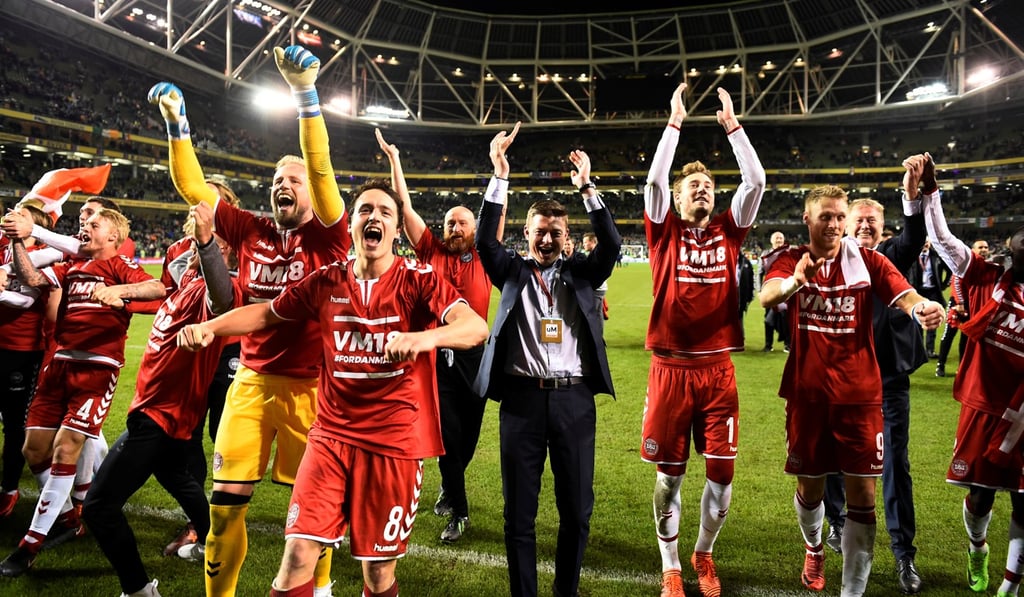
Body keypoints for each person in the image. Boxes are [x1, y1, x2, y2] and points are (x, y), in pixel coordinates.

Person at [176, 179, 489, 597]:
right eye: (364, 211)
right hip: (330, 438)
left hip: (393, 445)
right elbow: (266, 314)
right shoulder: (326, 281)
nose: (373, 217)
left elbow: (475, 327)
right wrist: (209, 327)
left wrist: (422, 339)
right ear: (353, 226)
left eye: (384, 212)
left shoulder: (419, 279)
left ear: (397, 231)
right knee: (297, 558)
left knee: (377, 575)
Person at [147, 43, 350, 596]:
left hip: (314, 389)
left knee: (315, 513)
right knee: (224, 511)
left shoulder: (330, 231)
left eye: (293, 178)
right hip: (252, 386)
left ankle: (322, 590)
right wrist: (178, 127)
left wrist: (304, 95)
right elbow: (196, 192)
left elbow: (323, 169)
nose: (283, 184)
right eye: (276, 180)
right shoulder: (253, 230)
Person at [760, 183, 943, 597]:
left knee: (864, 496)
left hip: (860, 396)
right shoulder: (790, 259)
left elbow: (904, 293)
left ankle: (851, 592)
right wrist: (794, 283)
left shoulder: (868, 261)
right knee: (811, 491)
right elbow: (767, 296)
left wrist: (920, 308)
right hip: (807, 394)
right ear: (807, 219)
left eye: (840, 216)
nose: (835, 224)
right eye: (826, 216)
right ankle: (813, 546)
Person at [473, 136, 621, 597]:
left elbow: (612, 245)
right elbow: (483, 241)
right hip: (520, 401)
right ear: (527, 234)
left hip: (574, 401)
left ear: (568, 238)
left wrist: (587, 188)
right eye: (540, 230)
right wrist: (500, 176)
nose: (548, 238)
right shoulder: (512, 271)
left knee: (576, 511)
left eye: (556, 231)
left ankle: (566, 592)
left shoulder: (582, 274)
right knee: (519, 513)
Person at [640, 82, 766, 597]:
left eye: (709, 186)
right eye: (693, 185)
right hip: (669, 370)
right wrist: (674, 121)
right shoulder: (662, 231)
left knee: (721, 480)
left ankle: (702, 553)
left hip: (717, 372)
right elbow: (652, 180)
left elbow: (755, 181)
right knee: (669, 480)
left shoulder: (729, 232)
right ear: (676, 196)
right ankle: (671, 563)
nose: (703, 190)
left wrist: (733, 128)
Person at [81, 202, 241, 597]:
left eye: (214, 245)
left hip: (160, 417)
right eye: (196, 239)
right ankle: (210, 540)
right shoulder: (183, 285)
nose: (199, 246)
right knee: (177, 478)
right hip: (158, 413)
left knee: (99, 508)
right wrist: (122, 294)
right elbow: (156, 291)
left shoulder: (214, 293)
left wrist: (208, 246)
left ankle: (138, 590)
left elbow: (223, 298)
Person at [0, 206, 166, 577]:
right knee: (33, 448)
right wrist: (16, 241)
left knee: (67, 446)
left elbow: (157, 287)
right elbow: (30, 277)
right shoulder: (70, 267)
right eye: (84, 223)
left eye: (94, 224)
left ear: (113, 237)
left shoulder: (119, 265)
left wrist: (119, 291)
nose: (85, 227)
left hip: (97, 369)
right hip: (59, 366)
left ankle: (29, 545)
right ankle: (71, 514)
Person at [375, 126, 506, 543]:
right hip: (437, 358)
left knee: (466, 440)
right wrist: (395, 161)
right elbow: (405, 206)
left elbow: (493, 215)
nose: (454, 227)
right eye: (450, 222)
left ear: (473, 229)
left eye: (462, 223)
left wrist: (497, 169)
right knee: (449, 437)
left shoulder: (486, 254)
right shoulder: (429, 248)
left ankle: (451, 486)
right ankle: (460, 511)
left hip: (477, 356)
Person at [821, 177, 933, 594]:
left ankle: (904, 554)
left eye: (872, 222)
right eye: (859, 221)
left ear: (883, 228)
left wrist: (912, 197)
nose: (866, 227)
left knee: (894, 465)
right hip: (841, 380)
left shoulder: (890, 256)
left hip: (887, 382)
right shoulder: (831, 257)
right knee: (831, 455)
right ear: (847, 225)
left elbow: (914, 235)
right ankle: (835, 522)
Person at [918, 161, 1024, 596]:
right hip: (983, 409)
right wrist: (931, 194)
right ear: (1009, 243)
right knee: (980, 496)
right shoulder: (985, 276)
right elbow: (942, 239)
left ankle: (1009, 585)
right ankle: (977, 547)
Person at [0, 204, 54, 519]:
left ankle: (8, 488)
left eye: (21, 217)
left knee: (16, 424)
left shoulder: (47, 256)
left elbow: (25, 299)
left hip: (22, 351)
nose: (12, 219)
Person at [935, 239, 989, 378]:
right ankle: (940, 365)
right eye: (980, 247)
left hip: (973, 306)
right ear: (973, 250)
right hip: (958, 304)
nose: (984, 249)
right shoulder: (966, 262)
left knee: (966, 337)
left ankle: (962, 367)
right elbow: (956, 280)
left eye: (986, 247)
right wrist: (960, 302)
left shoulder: (987, 266)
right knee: (949, 334)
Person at [907, 238, 951, 357]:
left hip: (933, 292)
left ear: (930, 243)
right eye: (923, 241)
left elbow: (949, 270)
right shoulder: (912, 256)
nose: (925, 244)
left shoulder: (936, 256)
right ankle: (920, 349)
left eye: (927, 241)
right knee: (918, 321)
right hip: (918, 292)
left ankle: (930, 350)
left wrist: (944, 284)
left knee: (933, 320)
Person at [761, 231, 791, 352]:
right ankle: (768, 345)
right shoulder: (765, 255)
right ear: (771, 240)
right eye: (777, 238)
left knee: (786, 319)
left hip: (785, 291)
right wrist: (760, 290)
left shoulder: (789, 253)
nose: (779, 240)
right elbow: (759, 273)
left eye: (781, 238)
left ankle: (788, 344)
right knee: (768, 320)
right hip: (770, 292)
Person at [582, 232, 610, 325]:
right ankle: (598, 338)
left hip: (597, 289)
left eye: (586, 242)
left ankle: (595, 338)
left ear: (592, 242)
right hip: (600, 288)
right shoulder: (595, 254)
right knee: (598, 316)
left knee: (593, 316)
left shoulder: (596, 255)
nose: (583, 244)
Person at [737, 250, 755, 337]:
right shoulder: (725, 260)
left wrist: (750, 295)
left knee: (740, 315)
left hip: (741, 294)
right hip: (727, 294)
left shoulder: (745, 262)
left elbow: (751, 279)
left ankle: (740, 337)